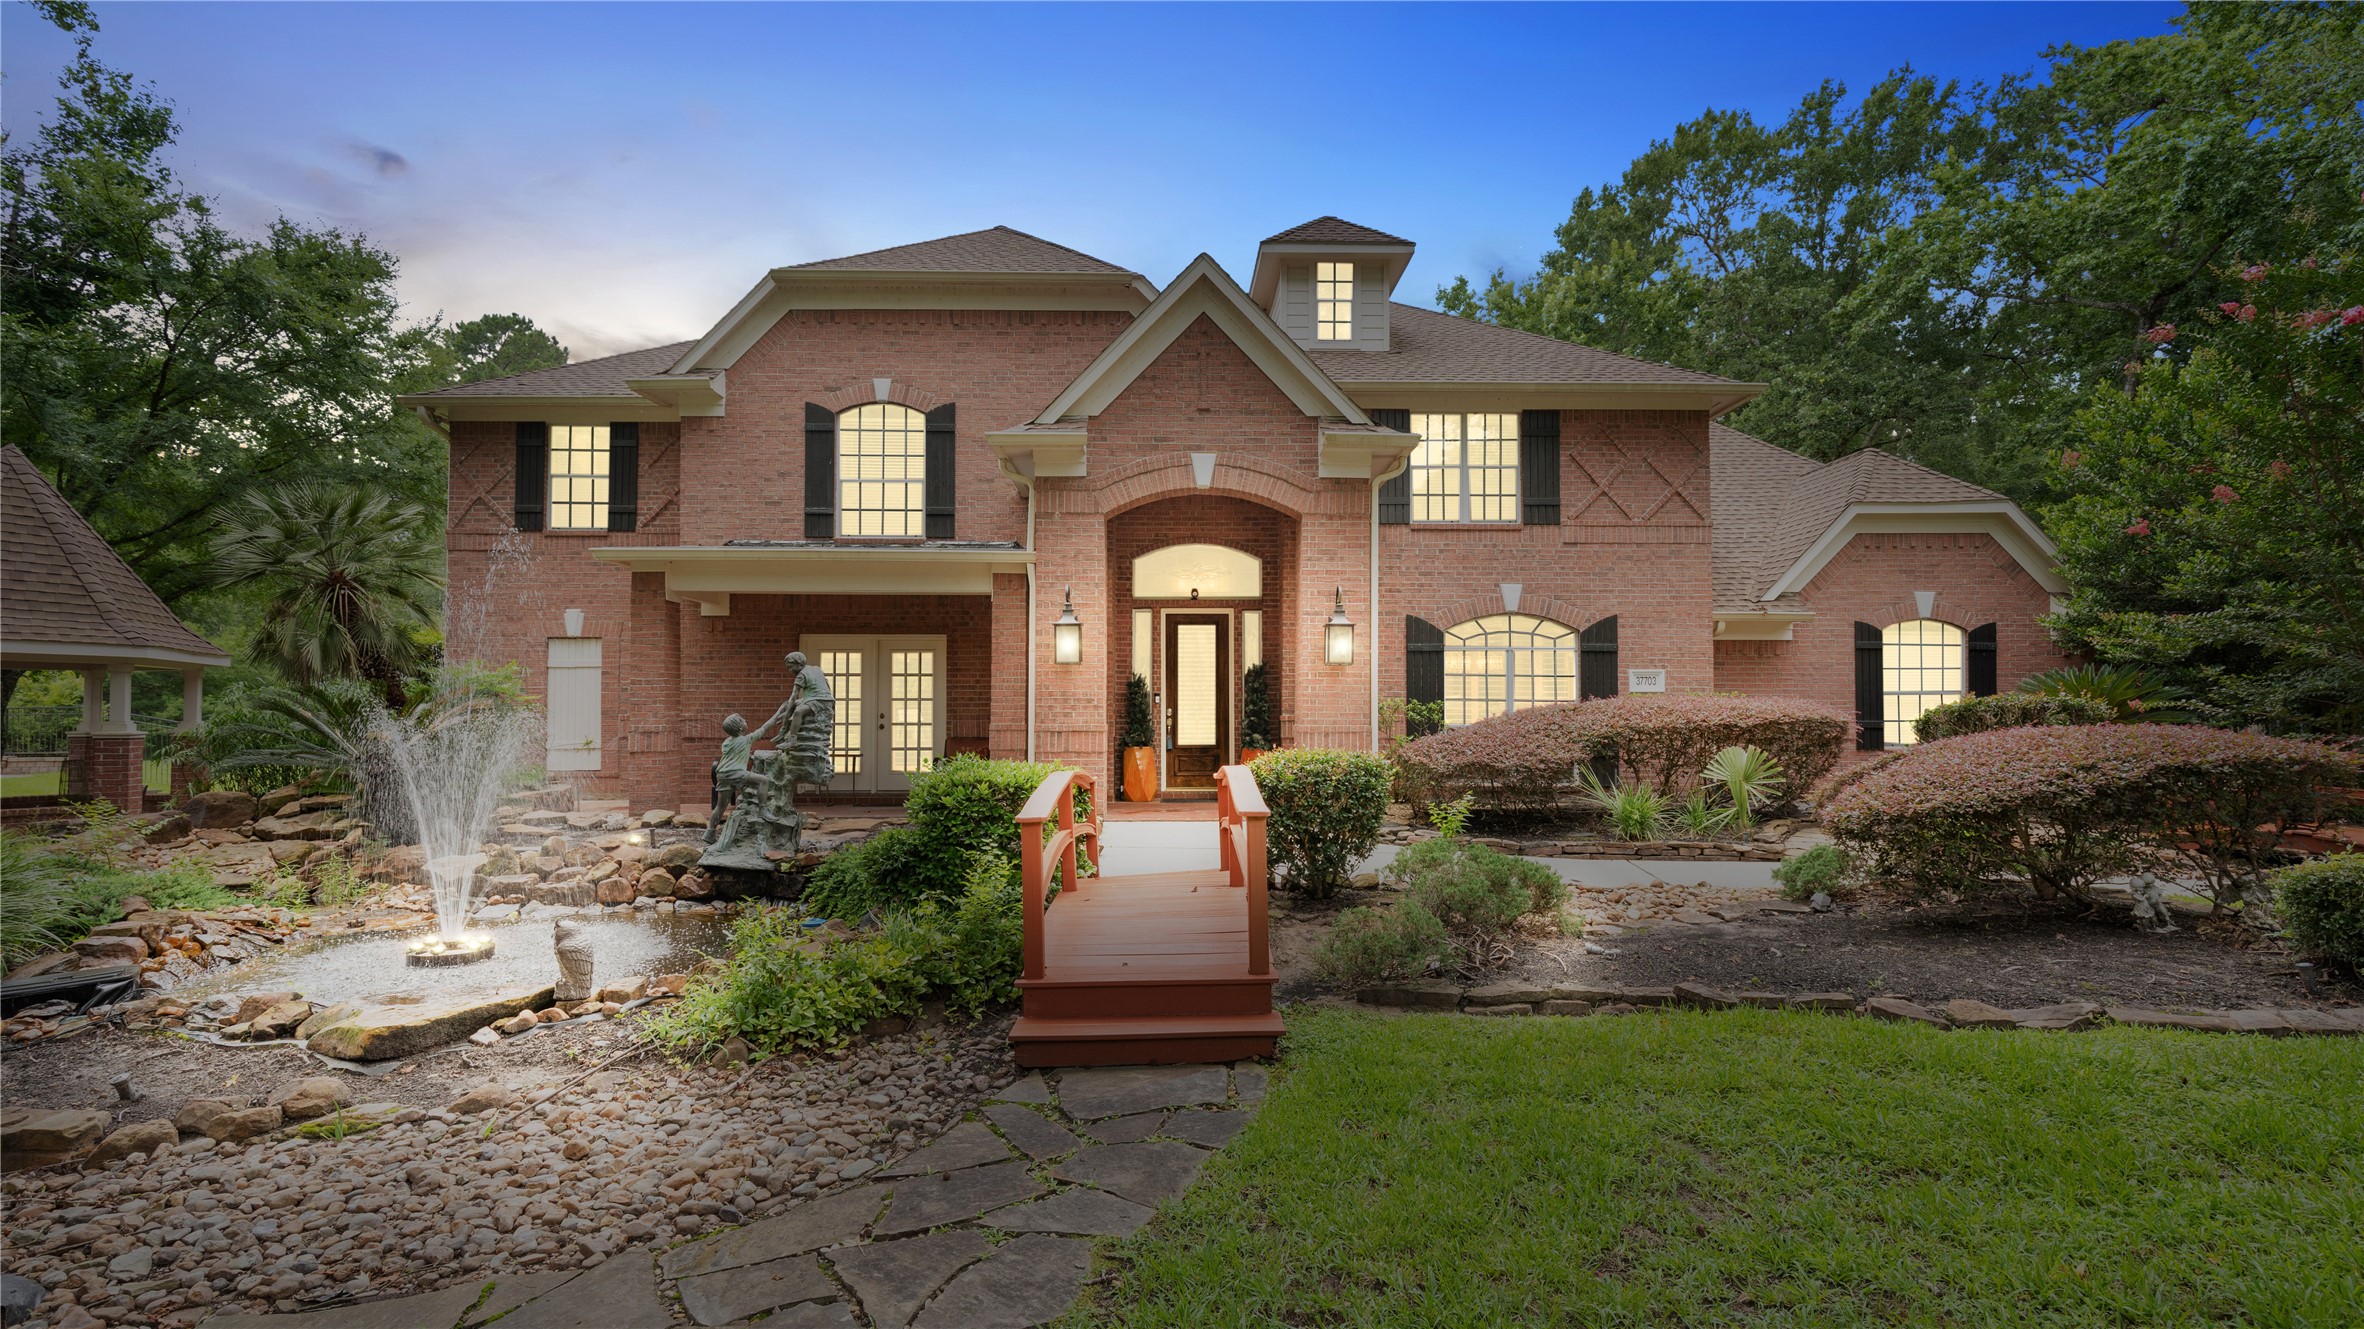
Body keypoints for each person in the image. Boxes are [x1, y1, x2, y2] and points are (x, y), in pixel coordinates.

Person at [705, 712, 779, 844]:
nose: (745, 720)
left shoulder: (727, 742)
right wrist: (779, 713)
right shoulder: (747, 739)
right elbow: (765, 727)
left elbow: (733, 755)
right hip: (735, 773)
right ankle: (762, 810)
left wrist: (748, 756)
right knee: (764, 780)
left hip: (722, 774)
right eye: (742, 720)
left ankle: (709, 832)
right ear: (739, 728)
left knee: (721, 806)